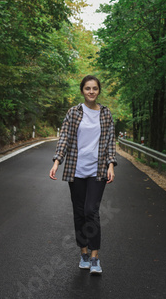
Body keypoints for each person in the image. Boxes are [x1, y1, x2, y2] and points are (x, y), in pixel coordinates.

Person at [49, 75, 116, 275]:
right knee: (79, 212)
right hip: (75, 170)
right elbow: (65, 139)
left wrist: (111, 165)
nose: (91, 92)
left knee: (91, 211)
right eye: (87, 88)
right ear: (82, 90)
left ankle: (95, 257)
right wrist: (56, 161)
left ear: (99, 91)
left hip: (98, 170)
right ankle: (84, 253)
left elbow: (111, 141)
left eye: (95, 88)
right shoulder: (73, 112)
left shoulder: (105, 113)